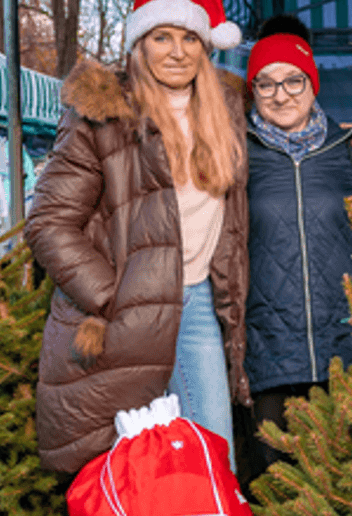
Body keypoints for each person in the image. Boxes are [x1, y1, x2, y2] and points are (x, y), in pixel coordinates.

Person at [24, 0, 250, 473]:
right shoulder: (104, 114)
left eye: (190, 38)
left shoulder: (227, 110)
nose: (177, 51)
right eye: (162, 37)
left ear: (206, 45)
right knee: (131, 476)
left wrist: (349, 139)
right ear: (139, 43)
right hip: (122, 315)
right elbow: (49, 220)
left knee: (213, 465)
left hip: (198, 309)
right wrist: (112, 297)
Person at [243, 14, 352, 478]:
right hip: (267, 346)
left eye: (293, 81)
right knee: (275, 481)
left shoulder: (347, 149)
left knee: (344, 479)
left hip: (340, 343)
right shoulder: (236, 151)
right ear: (253, 90)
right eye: (266, 84)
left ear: (313, 83)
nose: (280, 94)